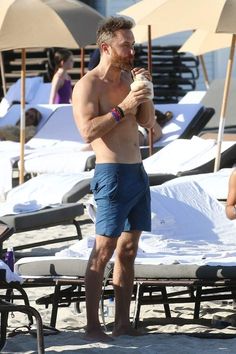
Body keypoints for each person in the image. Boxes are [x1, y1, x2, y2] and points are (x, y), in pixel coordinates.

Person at [72, 16, 155, 342]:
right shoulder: (89, 85)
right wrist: (124, 106)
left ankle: (122, 323)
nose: (132, 49)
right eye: (127, 44)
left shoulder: (129, 79)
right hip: (111, 173)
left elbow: (147, 123)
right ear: (107, 47)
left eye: (132, 44)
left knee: (129, 250)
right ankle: (93, 327)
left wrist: (145, 92)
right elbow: (87, 131)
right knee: (103, 250)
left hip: (137, 172)